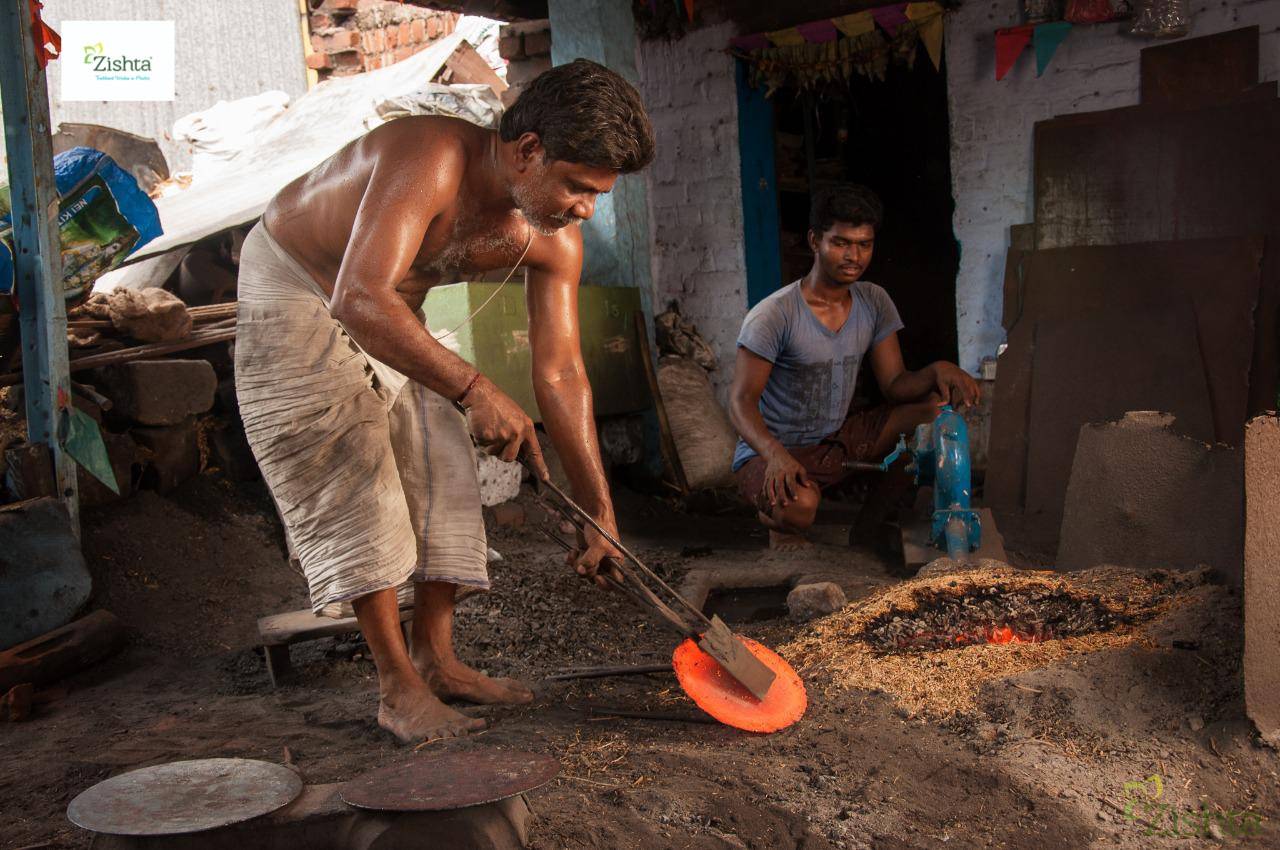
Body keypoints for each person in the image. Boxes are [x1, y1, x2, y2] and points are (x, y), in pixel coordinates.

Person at [234, 60, 654, 742]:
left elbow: (563, 374)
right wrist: (475, 386)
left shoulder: (552, 239)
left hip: (384, 306)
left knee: (443, 467)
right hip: (302, 285)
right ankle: (397, 687)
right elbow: (357, 296)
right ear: (528, 152)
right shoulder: (428, 157)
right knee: (357, 469)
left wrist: (600, 511)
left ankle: (437, 660)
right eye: (578, 187)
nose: (586, 208)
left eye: (598, 195)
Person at [728, 184, 979, 552]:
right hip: (773, 453)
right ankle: (775, 519)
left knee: (931, 413)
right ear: (815, 241)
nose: (854, 256)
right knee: (801, 510)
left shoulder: (873, 301)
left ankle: (869, 528)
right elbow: (740, 402)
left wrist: (938, 369)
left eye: (864, 244)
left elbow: (894, 384)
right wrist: (774, 454)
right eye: (841, 243)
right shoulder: (774, 314)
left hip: (838, 441)